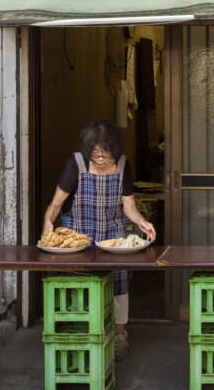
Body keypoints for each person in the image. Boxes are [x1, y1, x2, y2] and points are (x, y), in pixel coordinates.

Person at [41, 120, 156, 360]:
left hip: (111, 236)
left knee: (118, 281)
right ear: (87, 151)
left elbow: (129, 206)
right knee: (78, 282)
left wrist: (142, 222)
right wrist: (47, 224)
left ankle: (119, 333)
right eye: (96, 155)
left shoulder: (124, 166)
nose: (101, 159)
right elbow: (56, 203)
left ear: (115, 150)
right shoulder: (75, 164)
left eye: (106, 155)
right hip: (77, 233)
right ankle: (79, 331)